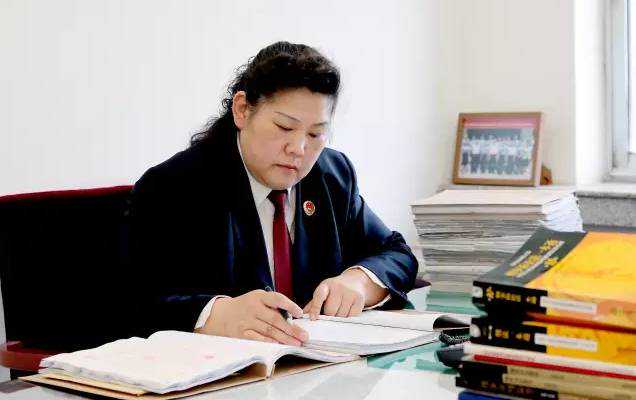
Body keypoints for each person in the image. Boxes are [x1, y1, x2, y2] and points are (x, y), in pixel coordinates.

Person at [130, 42, 418, 347]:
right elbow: (131, 303)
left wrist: (359, 281)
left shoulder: (332, 175)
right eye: (284, 127)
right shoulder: (174, 186)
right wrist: (214, 314)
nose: (298, 149)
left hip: (321, 364)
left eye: (315, 134)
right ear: (242, 110)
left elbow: (397, 253)